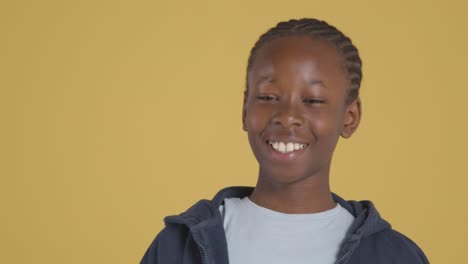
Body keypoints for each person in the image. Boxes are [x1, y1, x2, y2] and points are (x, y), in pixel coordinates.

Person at [140, 18, 429, 264]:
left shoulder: (395, 255)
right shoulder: (176, 247)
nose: (288, 116)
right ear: (245, 110)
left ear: (349, 117)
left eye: (313, 100)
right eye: (268, 97)